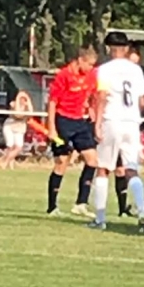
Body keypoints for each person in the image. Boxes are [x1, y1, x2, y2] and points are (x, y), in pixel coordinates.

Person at [90, 31, 144, 233]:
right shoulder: (136, 70)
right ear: (126, 49)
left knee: (103, 168)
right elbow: (142, 102)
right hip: (131, 122)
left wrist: (98, 123)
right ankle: (142, 212)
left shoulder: (105, 69)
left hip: (112, 120)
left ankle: (100, 218)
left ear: (109, 49)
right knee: (131, 169)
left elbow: (102, 96)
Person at [46, 45, 98, 217]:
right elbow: (52, 102)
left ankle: (81, 203)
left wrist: (90, 107)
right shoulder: (64, 75)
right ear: (80, 60)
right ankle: (52, 207)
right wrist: (52, 128)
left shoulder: (91, 75)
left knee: (92, 159)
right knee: (62, 161)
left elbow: (92, 94)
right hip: (63, 120)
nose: (91, 68)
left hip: (80, 121)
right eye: (89, 64)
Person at [114, 45, 144, 217]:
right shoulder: (122, 73)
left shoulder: (111, 71)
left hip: (125, 124)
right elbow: (142, 102)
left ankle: (122, 209)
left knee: (124, 168)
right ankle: (86, 205)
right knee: (111, 168)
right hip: (120, 123)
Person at [0, 90, 33, 169]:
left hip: (20, 128)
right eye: (21, 98)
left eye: (24, 98)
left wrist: (29, 101)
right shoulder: (13, 104)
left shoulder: (27, 107)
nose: (23, 100)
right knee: (10, 146)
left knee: (18, 147)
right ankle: (8, 165)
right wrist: (18, 97)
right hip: (10, 126)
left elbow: (31, 114)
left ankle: (4, 161)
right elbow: (17, 114)